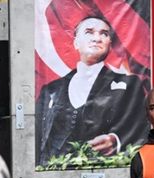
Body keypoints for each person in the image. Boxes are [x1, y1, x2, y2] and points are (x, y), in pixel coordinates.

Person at [36, 15, 147, 168]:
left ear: (109, 43)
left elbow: (140, 125)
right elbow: (36, 135)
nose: (97, 38)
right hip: (54, 176)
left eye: (104, 34)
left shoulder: (129, 85)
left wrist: (116, 139)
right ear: (76, 43)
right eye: (89, 32)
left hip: (107, 172)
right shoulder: (51, 90)